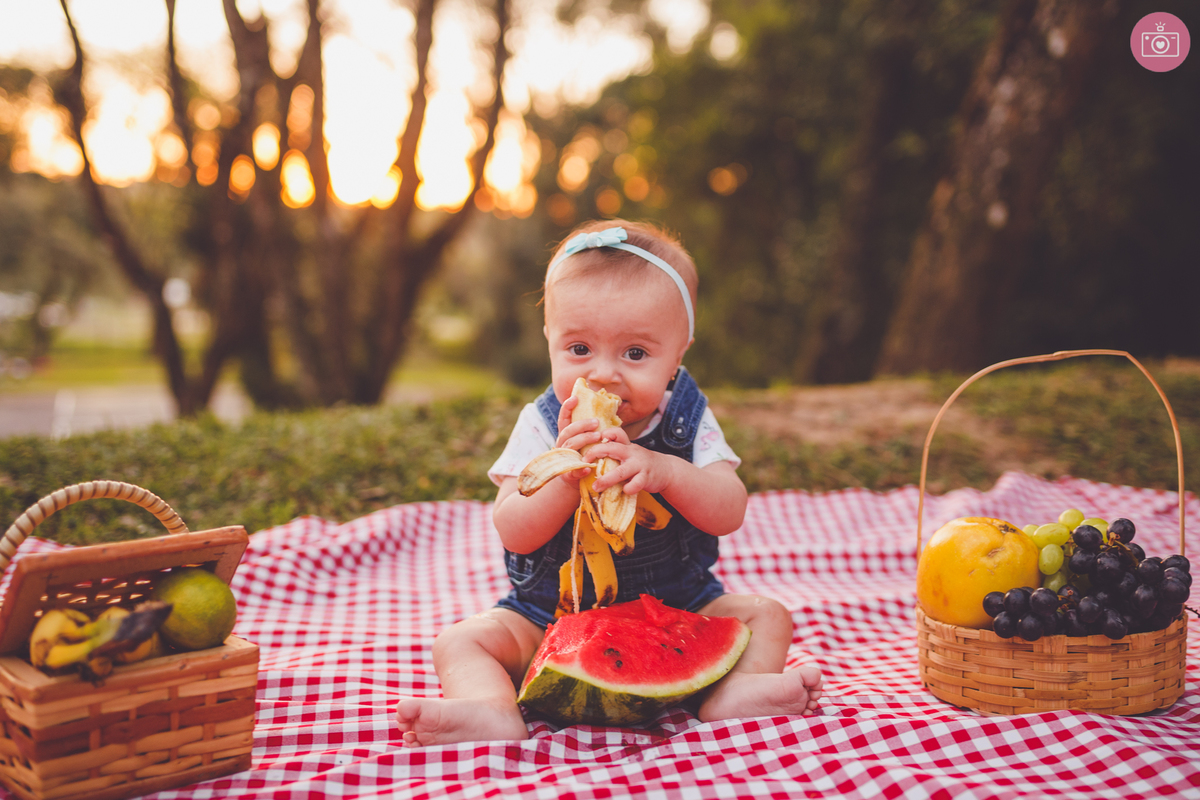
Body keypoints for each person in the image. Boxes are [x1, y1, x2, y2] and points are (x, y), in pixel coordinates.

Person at [396, 220, 822, 747]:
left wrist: (668, 471)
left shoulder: (687, 420)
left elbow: (729, 509)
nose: (602, 374)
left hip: (678, 613)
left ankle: (735, 692)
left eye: (635, 353)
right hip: (549, 620)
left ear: (678, 355)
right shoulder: (540, 425)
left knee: (767, 615)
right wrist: (563, 476)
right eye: (579, 349)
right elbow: (514, 531)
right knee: (460, 641)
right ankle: (489, 708)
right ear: (549, 339)